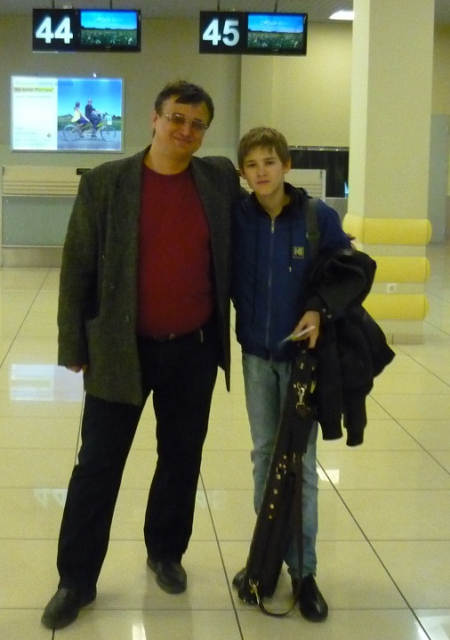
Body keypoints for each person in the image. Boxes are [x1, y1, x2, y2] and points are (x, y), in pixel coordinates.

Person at [41, 80, 241, 630]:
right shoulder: (107, 183)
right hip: (119, 351)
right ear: (154, 119)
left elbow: (265, 208)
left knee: (181, 458)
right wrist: (72, 344)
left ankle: (166, 551)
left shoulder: (218, 179)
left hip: (193, 349)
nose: (185, 130)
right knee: (97, 465)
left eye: (197, 124)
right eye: (176, 118)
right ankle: (75, 580)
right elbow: (77, 268)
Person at [231, 127, 351, 622]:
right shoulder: (238, 217)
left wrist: (318, 308)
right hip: (256, 357)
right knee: (265, 455)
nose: (261, 171)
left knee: (300, 462)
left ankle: (304, 571)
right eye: (252, 164)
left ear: (286, 166)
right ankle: (267, 559)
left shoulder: (317, 217)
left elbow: (345, 273)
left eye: (270, 162)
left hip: (303, 360)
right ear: (243, 172)